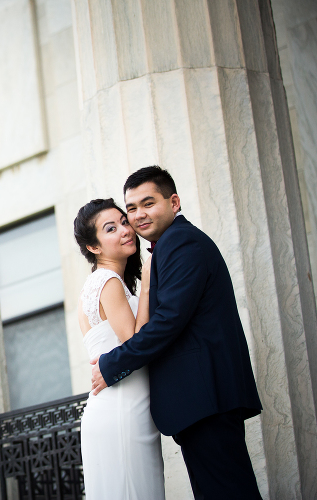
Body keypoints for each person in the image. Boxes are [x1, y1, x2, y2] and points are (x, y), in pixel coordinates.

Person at [90, 166, 263, 499]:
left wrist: (113, 364)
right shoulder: (166, 247)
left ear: (174, 202)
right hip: (199, 400)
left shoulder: (181, 242)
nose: (139, 215)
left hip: (206, 397)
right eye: (132, 209)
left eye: (148, 203)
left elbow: (169, 320)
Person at [74, 198, 165, 499]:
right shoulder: (107, 280)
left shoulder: (98, 284)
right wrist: (150, 282)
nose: (126, 230)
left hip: (116, 407)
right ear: (94, 247)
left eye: (124, 222)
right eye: (111, 228)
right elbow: (134, 341)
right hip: (123, 411)